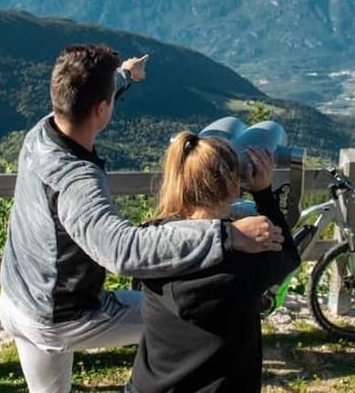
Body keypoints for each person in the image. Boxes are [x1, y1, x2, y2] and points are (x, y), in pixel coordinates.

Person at [0, 44, 284, 393]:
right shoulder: (76, 181)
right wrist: (226, 236)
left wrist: (124, 75)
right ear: (101, 109)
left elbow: (87, 95)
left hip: (17, 301)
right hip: (61, 318)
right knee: (174, 317)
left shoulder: (40, 133)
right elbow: (123, 250)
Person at [128, 132, 301, 393]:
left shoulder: (154, 239)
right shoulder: (246, 259)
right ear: (234, 186)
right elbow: (288, 255)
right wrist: (263, 193)